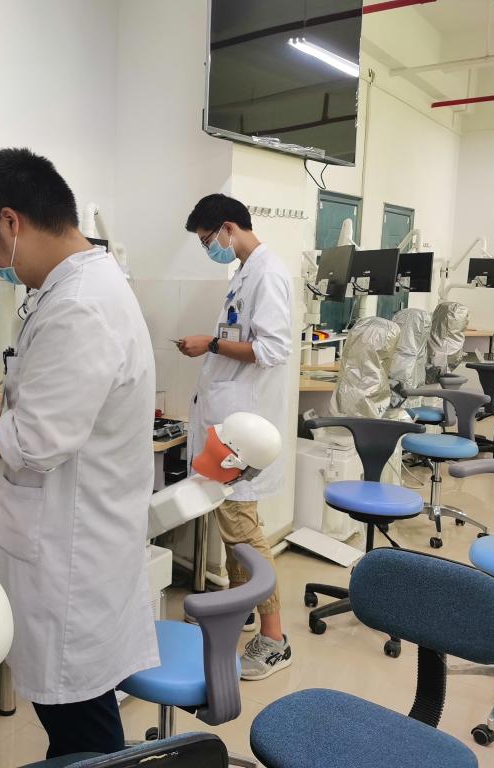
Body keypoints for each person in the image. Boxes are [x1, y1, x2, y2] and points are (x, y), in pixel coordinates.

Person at [0, 148, 158, 758]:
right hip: (74, 542)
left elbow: (33, 443)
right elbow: (48, 396)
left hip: (71, 559)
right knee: (78, 718)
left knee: (82, 728)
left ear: (10, 222)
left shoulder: (79, 306)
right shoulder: (78, 288)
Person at [177, 193, 293, 681]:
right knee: (231, 521)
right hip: (230, 425)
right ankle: (238, 607)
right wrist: (213, 346)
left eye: (208, 240)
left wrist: (211, 343)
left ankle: (275, 638)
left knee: (243, 530)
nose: (210, 249)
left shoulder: (268, 274)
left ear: (228, 227)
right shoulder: (245, 273)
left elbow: (273, 348)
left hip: (244, 431)